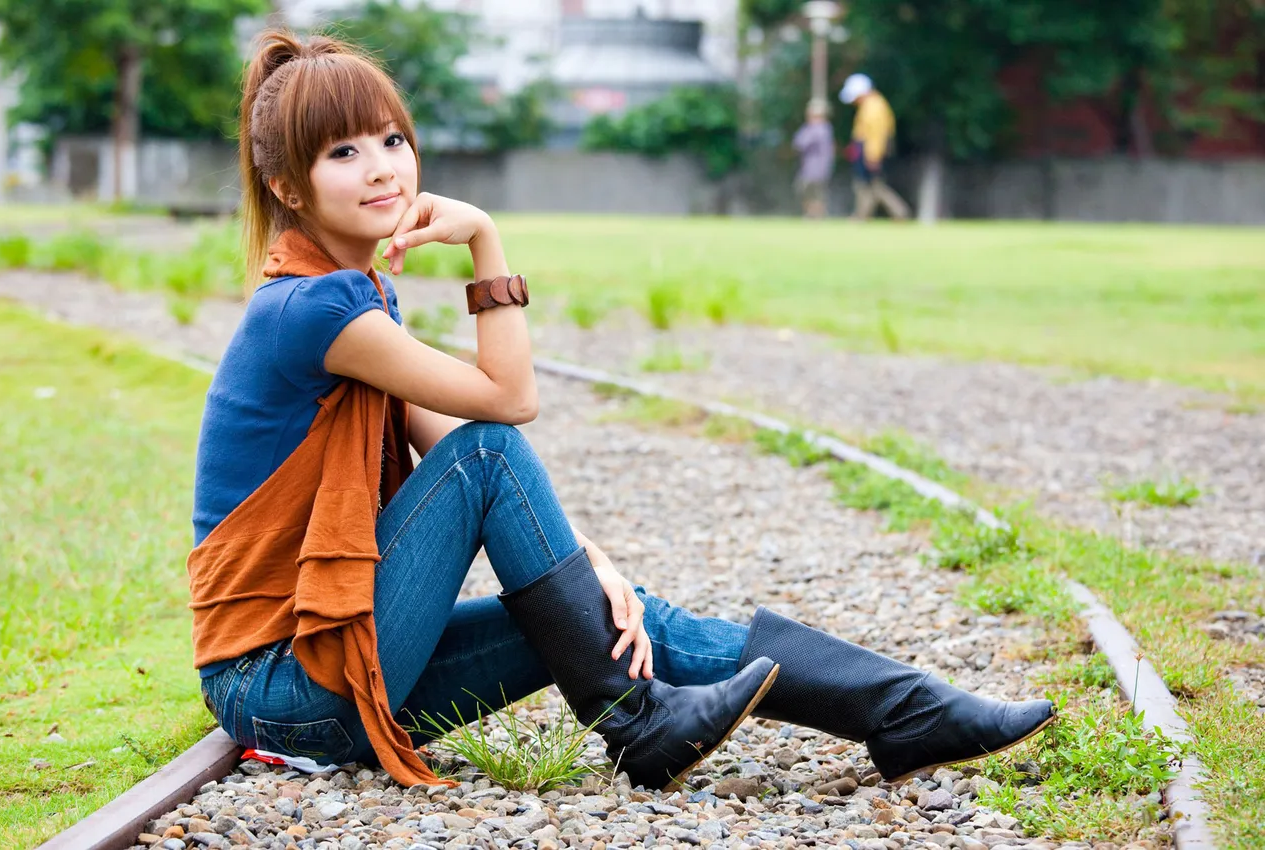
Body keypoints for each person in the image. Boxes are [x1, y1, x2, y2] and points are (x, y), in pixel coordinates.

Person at [189, 30, 1055, 794]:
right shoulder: (315, 311)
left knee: (610, 611)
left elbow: (442, 441)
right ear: (287, 187)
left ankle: (906, 711)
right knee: (496, 456)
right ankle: (637, 723)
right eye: (343, 153)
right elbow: (503, 410)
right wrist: (487, 240)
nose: (381, 165)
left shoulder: (357, 296)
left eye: (391, 139)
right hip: (283, 691)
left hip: (338, 659)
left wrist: (585, 561)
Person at [839, 73, 911, 221]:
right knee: (868, 185)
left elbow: (876, 134)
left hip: (870, 150)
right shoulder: (871, 105)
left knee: (871, 185)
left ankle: (898, 212)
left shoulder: (874, 107)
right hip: (866, 149)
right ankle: (863, 215)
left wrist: (872, 155)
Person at [792, 99, 835, 219]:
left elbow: (800, 143)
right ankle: (812, 214)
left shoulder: (819, 129)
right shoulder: (820, 128)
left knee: (816, 193)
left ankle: (816, 215)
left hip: (815, 168)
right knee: (809, 192)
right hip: (810, 167)